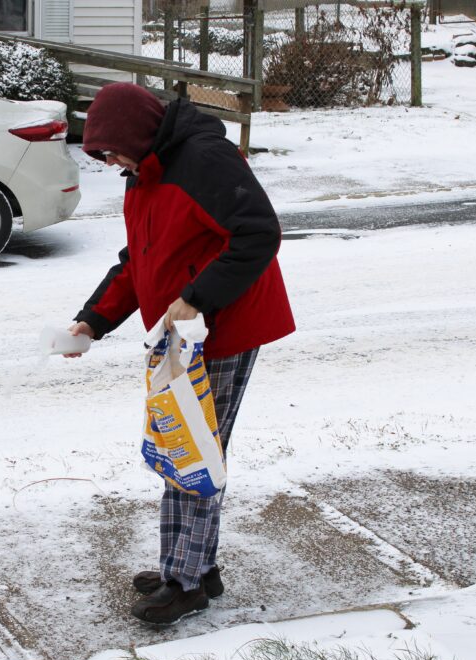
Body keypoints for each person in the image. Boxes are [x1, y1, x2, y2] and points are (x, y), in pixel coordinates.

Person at [65, 82, 295, 625]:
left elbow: (259, 234)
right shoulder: (144, 173)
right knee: (180, 446)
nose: (111, 162)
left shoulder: (204, 161)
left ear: (138, 135)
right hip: (181, 335)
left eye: (112, 151)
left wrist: (196, 298)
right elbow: (137, 261)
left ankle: (187, 582)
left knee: (191, 453)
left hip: (224, 326)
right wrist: (92, 320)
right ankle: (193, 567)